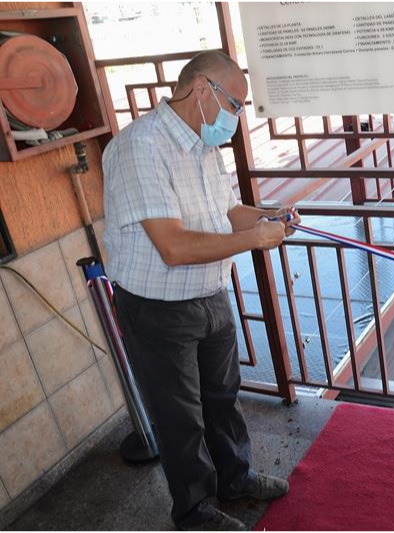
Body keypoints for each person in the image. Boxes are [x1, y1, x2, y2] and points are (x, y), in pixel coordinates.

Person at [103, 51, 298, 531]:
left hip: (210, 294)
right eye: (236, 103)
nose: (237, 117)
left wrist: (269, 218)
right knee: (180, 416)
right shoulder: (139, 148)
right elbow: (171, 245)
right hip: (158, 308)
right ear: (202, 90)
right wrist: (253, 239)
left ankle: (235, 477)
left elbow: (229, 210)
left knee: (223, 397)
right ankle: (193, 511)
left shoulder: (203, 148)